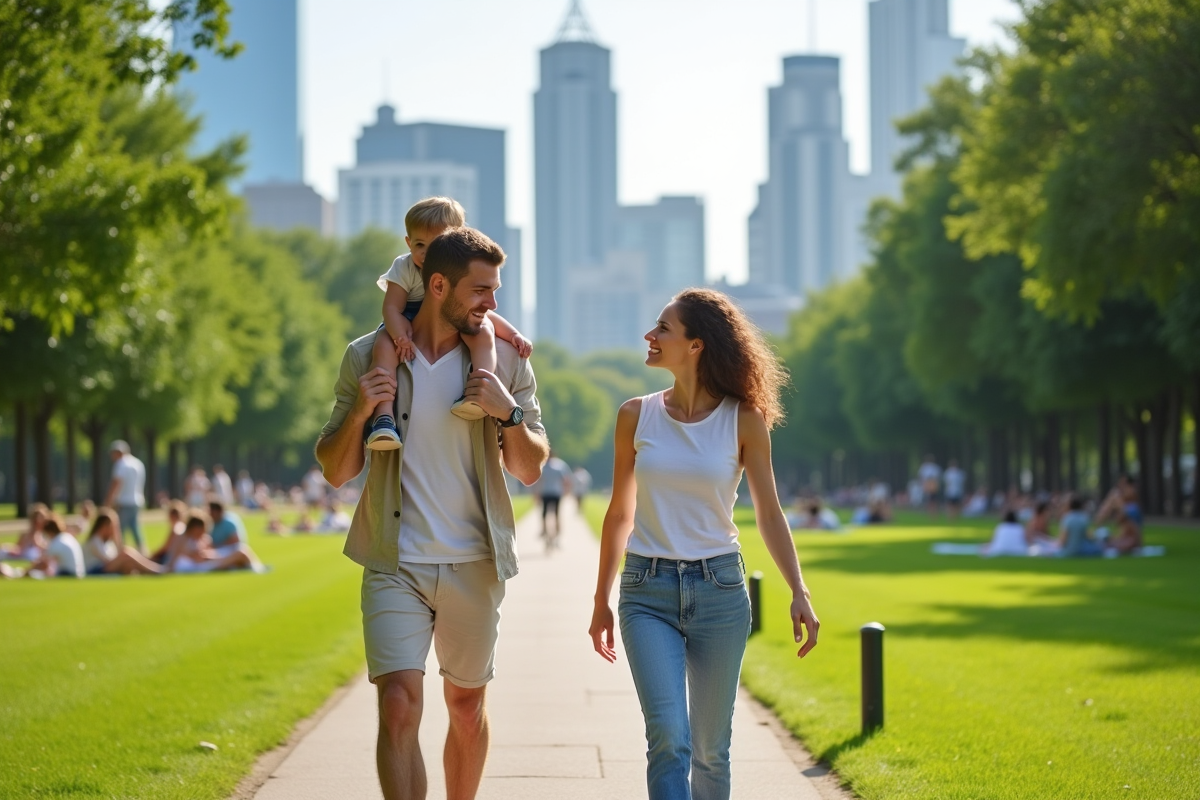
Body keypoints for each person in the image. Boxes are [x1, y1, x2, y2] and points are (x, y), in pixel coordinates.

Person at [314, 225, 548, 800]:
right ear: (437, 285)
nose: (492, 304)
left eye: (495, 290)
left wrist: (508, 414)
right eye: (480, 291)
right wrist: (362, 411)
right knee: (397, 703)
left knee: (466, 707)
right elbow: (336, 468)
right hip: (395, 559)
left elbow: (532, 465)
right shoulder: (369, 355)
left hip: (475, 560)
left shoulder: (506, 361)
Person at [588, 289, 819, 800]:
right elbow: (620, 513)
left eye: (663, 329)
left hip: (720, 591)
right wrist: (601, 599)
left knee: (712, 749)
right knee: (669, 737)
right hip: (646, 591)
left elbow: (769, 512)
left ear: (696, 345)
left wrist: (798, 590)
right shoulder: (635, 415)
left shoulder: (744, 421)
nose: (650, 336)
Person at [365, 198, 533, 449]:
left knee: (483, 332)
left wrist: (513, 335)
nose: (425, 254)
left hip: (456, 318)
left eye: (436, 245)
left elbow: (482, 312)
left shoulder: (463, 271)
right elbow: (391, 307)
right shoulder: (405, 266)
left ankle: (479, 387)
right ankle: (384, 417)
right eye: (419, 245)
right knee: (383, 346)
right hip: (407, 320)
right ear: (408, 242)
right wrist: (400, 335)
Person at [167, 513, 262, 574]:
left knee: (241, 551)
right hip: (197, 568)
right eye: (202, 530)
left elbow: (206, 553)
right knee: (241, 552)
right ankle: (257, 569)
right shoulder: (183, 538)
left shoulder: (197, 538)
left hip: (202, 564)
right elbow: (198, 558)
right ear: (195, 528)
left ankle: (255, 567)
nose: (203, 533)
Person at [82, 509, 163, 575]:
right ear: (104, 526)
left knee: (128, 563)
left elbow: (116, 555)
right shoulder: (94, 541)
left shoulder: (106, 542)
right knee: (126, 553)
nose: (113, 530)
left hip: (104, 567)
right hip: (94, 570)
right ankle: (156, 570)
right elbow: (107, 561)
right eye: (112, 527)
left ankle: (150, 572)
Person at [2, 514, 84, 579]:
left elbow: (43, 563)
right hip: (78, 573)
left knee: (35, 575)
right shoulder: (66, 537)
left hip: (68, 574)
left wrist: (25, 572)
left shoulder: (57, 542)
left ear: (50, 532)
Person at [105, 439, 146, 553]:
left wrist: (108, 502)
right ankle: (142, 551)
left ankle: (121, 553)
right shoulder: (138, 463)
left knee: (119, 530)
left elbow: (116, 483)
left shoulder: (121, 464)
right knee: (135, 529)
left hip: (124, 502)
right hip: (137, 501)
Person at [535, 451, 572, 549]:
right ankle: (557, 534)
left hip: (546, 493)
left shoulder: (542, 465)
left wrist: (536, 494)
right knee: (556, 514)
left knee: (545, 514)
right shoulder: (560, 465)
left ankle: (544, 530)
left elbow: (539, 481)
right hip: (555, 493)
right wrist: (566, 491)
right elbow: (566, 480)